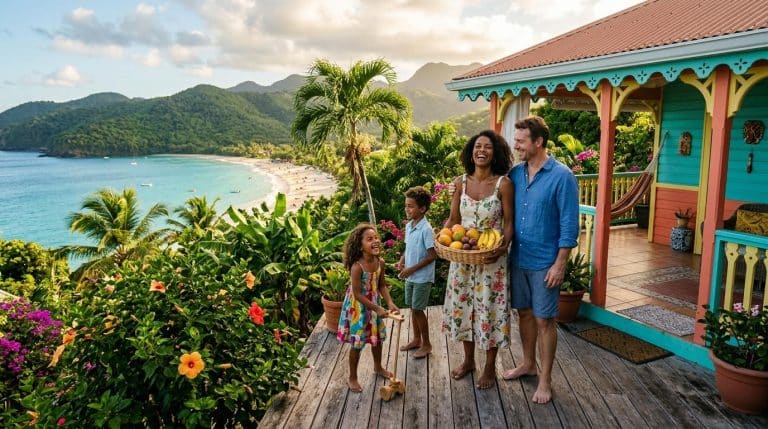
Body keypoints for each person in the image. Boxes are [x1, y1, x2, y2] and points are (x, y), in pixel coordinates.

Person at [502, 116, 579, 404]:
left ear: (538, 142)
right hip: (518, 258)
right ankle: (527, 364)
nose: (516, 145)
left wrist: (560, 263)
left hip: (546, 262)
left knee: (544, 320)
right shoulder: (516, 174)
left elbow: (570, 224)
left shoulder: (562, 176)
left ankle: (545, 380)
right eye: (516, 139)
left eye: (521, 141)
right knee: (523, 312)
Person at [442, 130, 514, 389]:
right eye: (477, 146)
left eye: (488, 147)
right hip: (462, 256)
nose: (481, 150)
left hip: (491, 260)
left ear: (496, 153)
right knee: (464, 310)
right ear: (471, 151)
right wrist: (442, 237)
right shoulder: (460, 182)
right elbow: (453, 219)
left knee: (490, 312)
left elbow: (508, 224)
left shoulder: (503, 184)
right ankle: (469, 360)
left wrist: (502, 247)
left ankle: (489, 368)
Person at [337, 223, 400, 393]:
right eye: (369, 239)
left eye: (376, 238)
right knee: (357, 343)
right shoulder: (357, 267)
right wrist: (376, 308)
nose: (375, 241)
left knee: (377, 339)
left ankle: (378, 367)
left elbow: (382, 285)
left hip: (374, 306)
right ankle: (352, 377)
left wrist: (389, 303)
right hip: (359, 309)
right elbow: (357, 294)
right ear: (360, 245)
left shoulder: (380, 262)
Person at [396, 186, 437, 359]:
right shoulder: (410, 226)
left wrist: (411, 269)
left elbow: (432, 256)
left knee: (418, 310)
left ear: (422, 209)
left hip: (421, 277)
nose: (407, 209)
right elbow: (408, 247)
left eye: (411, 206)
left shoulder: (426, 229)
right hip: (410, 275)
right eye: (406, 205)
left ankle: (427, 344)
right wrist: (402, 260)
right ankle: (416, 340)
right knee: (413, 308)